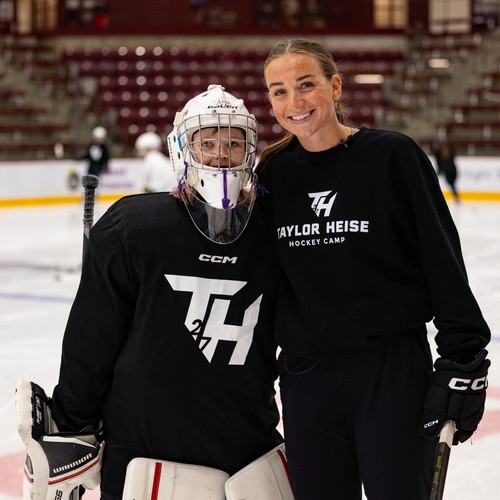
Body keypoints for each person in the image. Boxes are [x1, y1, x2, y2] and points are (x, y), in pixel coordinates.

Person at [255, 38, 491, 500]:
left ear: (335, 87)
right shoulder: (272, 174)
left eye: (306, 84)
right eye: (279, 91)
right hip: (306, 379)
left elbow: (441, 260)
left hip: (391, 373)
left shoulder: (392, 157)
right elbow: (262, 282)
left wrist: (464, 357)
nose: (294, 101)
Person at [33, 85, 283, 497]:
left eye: (233, 143)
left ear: (250, 150)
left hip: (245, 453)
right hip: (143, 451)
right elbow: (92, 339)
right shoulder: (131, 228)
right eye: (207, 143)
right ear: (182, 149)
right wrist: (74, 426)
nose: (221, 155)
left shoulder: (275, 234)